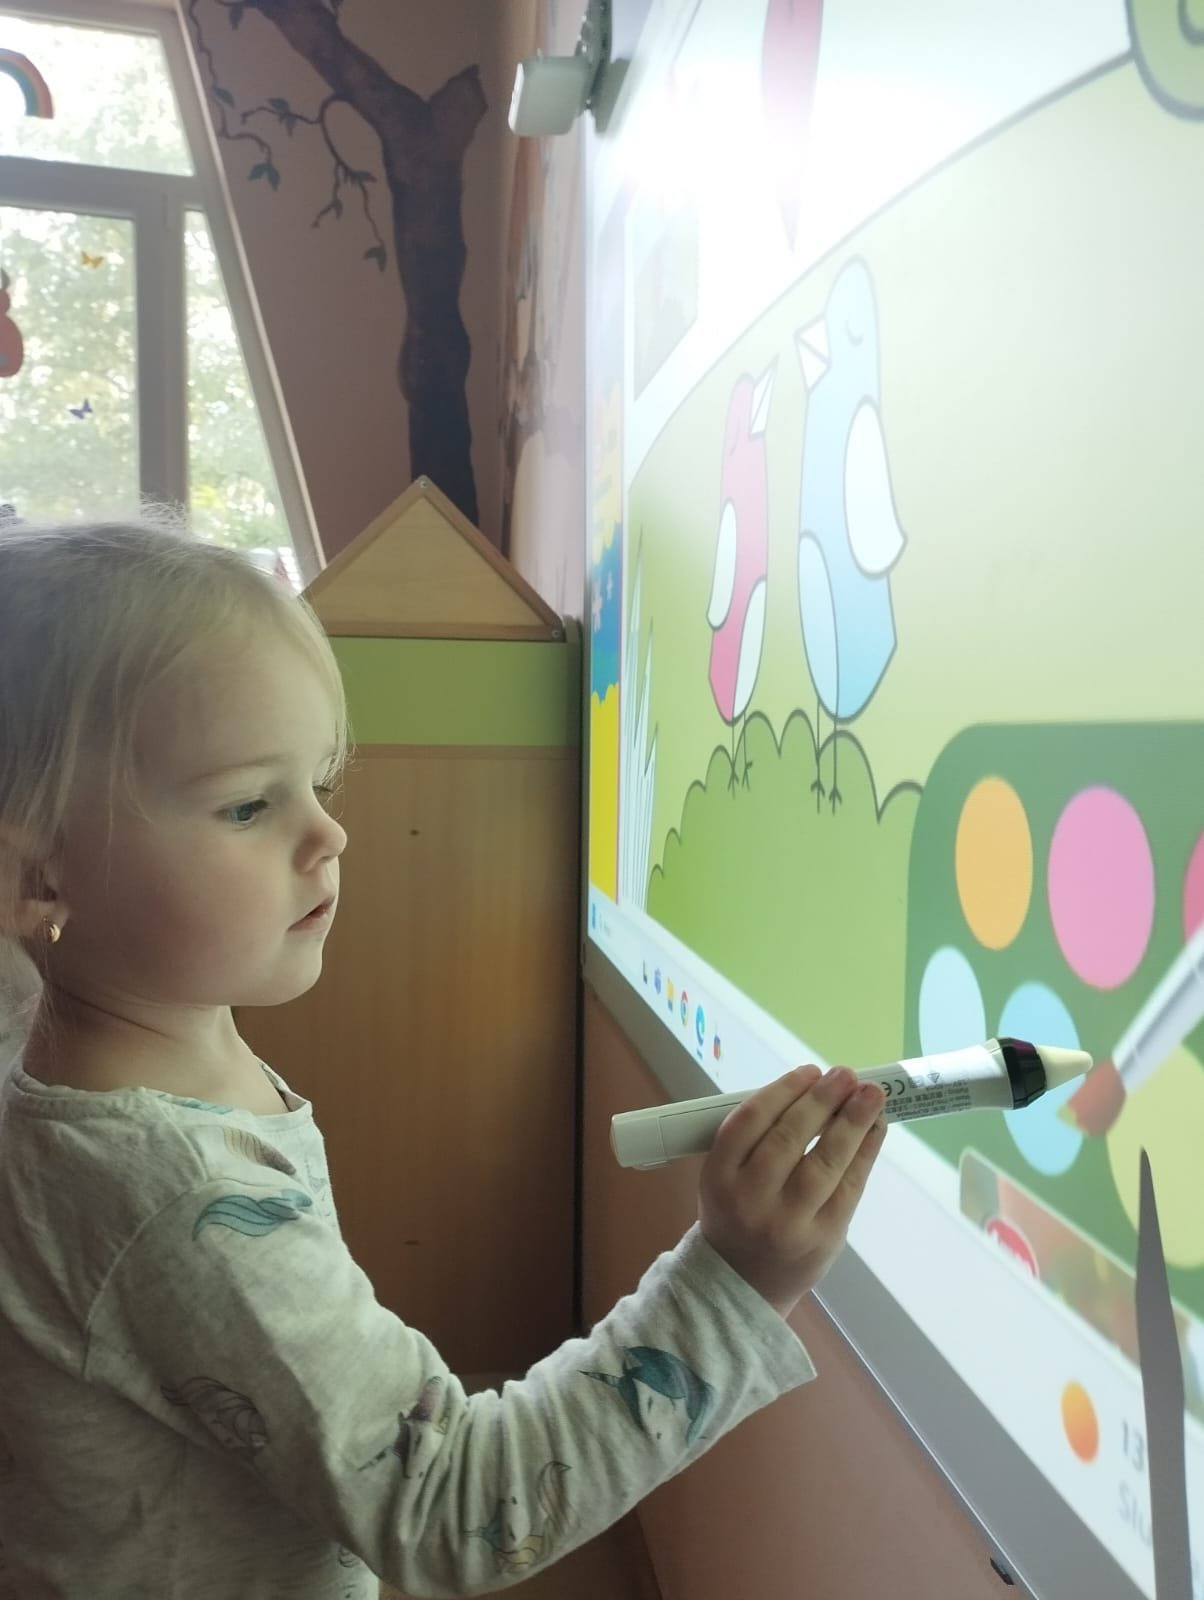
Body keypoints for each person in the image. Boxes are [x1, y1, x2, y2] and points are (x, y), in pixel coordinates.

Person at [0, 514, 887, 1598]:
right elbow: (458, 1507)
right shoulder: (170, 1194)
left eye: (321, 783)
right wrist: (735, 1282)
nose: (329, 835)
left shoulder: (66, 1037)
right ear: (39, 877)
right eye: (248, 804)